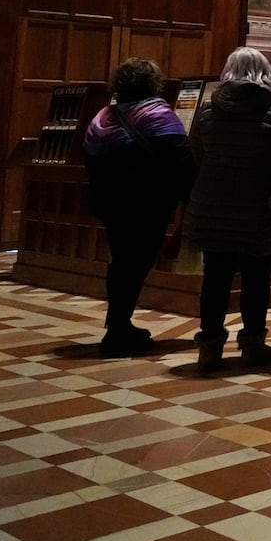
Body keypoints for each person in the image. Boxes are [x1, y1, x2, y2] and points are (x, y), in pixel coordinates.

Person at [185, 47, 271, 371]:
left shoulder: (209, 109)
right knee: (257, 279)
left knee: (215, 278)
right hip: (259, 207)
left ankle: (209, 347)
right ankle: (253, 344)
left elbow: (196, 154)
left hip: (212, 207)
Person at [81, 57, 196, 356]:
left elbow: (90, 160)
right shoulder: (158, 115)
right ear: (153, 83)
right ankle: (118, 329)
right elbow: (181, 161)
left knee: (121, 261)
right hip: (147, 204)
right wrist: (190, 197)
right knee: (137, 263)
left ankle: (118, 324)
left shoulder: (102, 117)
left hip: (110, 204)